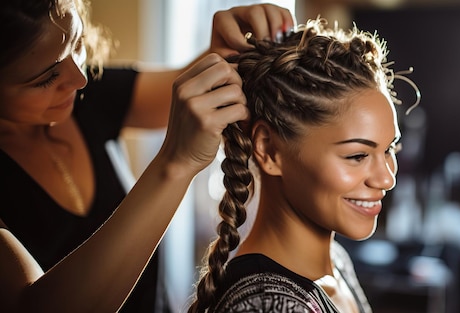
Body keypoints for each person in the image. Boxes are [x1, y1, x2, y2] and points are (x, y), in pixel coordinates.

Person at [0, 1, 293, 312]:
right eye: (46, 78)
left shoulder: (87, 93)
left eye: (78, 43)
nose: (79, 78)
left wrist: (219, 51)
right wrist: (174, 165)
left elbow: (184, 88)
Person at [188, 18, 418, 313]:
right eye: (357, 156)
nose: (387, 179)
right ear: (270, 151)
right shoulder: (264, 308)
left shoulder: (337, 261)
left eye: (389, 149)